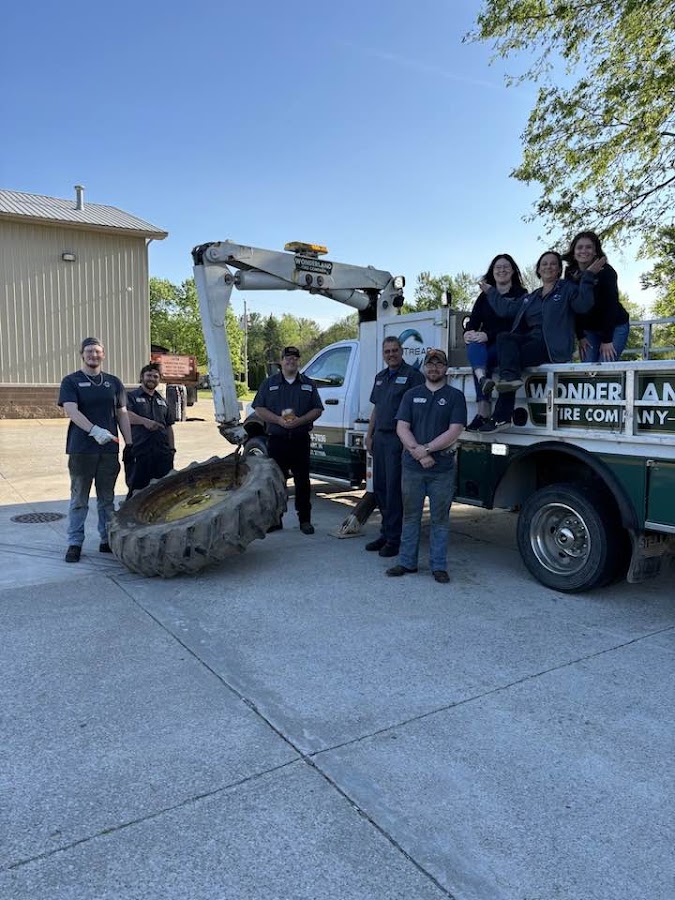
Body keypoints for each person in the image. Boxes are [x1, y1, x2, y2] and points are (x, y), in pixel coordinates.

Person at [477, 251, 604, 434]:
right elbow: (507, 309)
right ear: (538, 269)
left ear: (559, 269)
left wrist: (588, 277)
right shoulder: (532, 297)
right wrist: (490, 291)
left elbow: (584, 305)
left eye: (553, 264)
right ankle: (504, 407)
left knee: (510, 367)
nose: (548, 267)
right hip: (532, 342)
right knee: (505, 339)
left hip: (553, 346)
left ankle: (501, 417)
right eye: (544, 264)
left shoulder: (567, 289)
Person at [386, 348, 467, 584]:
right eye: (430, 364)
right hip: (413, 468)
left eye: (439, 364)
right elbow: (402, 427)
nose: (434, 368)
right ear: (424, 367)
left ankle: (438, 566)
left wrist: (428, 449)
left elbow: (455, 430)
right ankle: (406, 563)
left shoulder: (455, 396)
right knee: (410, 516)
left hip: (442, 469)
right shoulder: (411, 394)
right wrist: (418, 453)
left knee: (440, 520)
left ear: (446, 369)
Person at [58, 337, 132, 562]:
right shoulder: (71, 381)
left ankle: (105, 539)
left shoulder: (113, 382)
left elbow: (122, 413)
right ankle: (74, 542)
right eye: (89, 351)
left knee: (106, 498)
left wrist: (129, 444)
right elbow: (71, 410)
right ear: (82, 354)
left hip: (108, 451)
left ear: (103, 354)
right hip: (81, 449)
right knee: (79, 498)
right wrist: (94, 430)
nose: (93, 355)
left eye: (97, 351)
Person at [251, 345, 324, 534]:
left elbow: (317, 409)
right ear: (281, 361)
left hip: (300, 440)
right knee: (277, 482)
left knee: (303, 482)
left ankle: (305, 521)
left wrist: (300, 420)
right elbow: (259, 408)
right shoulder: (270, 384)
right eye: (287, 358)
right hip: (277, 440)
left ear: (299, 361)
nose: (291, 360)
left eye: (294, 358)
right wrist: (277, 420)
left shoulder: (308, 384)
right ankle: (276, 519)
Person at [365, 336, 425, 557]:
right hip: (379, 439)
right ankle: (385, 533)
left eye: (394, 350)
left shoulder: (413, 376)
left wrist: (409, 443)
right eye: (387, 351)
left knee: (393, 491)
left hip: (397, 441)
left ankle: (395, 539)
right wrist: (369, 435)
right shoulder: (380, 378)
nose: (391, 354)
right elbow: (377, 409)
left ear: (402, 351)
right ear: (383, 354)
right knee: (379, 488)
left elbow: (418, 413)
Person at [463, 253, 527, 430]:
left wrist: (487, 335)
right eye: (498, 267)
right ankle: (483, 399)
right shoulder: (484, 296)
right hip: (487, 347)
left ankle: (487, 410)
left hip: (508, 347)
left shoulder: (520, 294)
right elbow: (474, 321)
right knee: (474, 347)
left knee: (480, 360)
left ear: (513, 270)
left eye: (506, 267)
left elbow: (514, 322)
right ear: (492, 271)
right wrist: (467, 333)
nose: (502, 270)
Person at [563, 230, 630, 362]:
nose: (584, 251)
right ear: (574, 251)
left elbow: (611, 307)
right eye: (579, 247)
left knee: (605, 367)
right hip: (589, 330)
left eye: (588, 247)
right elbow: (573, 307)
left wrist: (607, 340)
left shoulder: (607, 272)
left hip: (614, 326)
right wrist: (580, 336)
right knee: (588, 369)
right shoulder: (570, 273)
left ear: (595, 251)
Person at [125, 362, 176, 497]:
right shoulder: (131, 397)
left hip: (162, 455)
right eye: (149, 375)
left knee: (164, 492)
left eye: (155, 376)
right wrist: (144, 421)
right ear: (142, 377)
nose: (152, 379)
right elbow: (125, 416)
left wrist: (172, 450)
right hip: (139, 452)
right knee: (137, 492)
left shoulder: (163, 401)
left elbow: (169, 426)